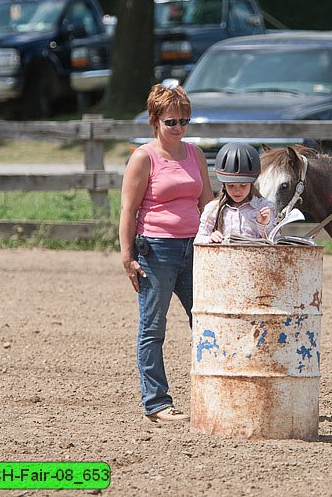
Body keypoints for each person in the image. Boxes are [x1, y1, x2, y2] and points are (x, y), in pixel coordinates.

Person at [119, 83, 214, 424]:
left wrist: (220, 234)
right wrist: (128, 257)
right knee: (152, 328)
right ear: (155, 121)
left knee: (206, 322)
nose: (179, 128)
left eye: (184, 121)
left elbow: (206, 203)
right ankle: (156, 402)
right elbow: (128, 211)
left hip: (195, 248)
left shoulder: (195, 154)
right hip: (157, 250)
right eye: (172, 121)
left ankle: (211, 394)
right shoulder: (143, 158)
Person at [195, 142, 276, 244]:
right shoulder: (213, 208)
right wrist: (209, 238)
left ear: (252, 183)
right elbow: (198, 239)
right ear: (224, 184)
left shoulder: (264, 206)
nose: (237, 191)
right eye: (231, 186)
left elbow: (274, 241)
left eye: (243, 185)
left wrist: (264, 224)